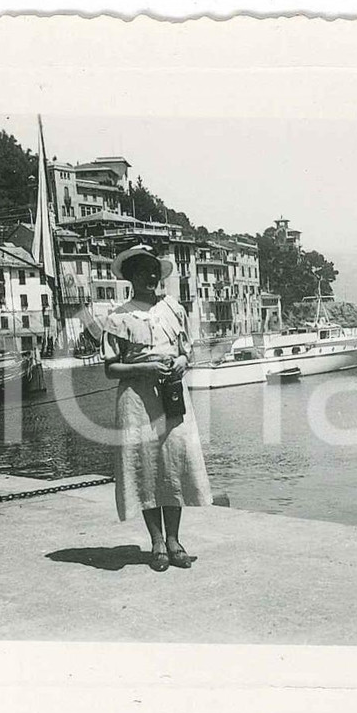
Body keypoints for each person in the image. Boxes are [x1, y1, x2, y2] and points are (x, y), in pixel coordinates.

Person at [101, 244, 212, 572]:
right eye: (142, 272)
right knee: (146, 467)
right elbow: (110, 368)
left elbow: (186, 351)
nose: (150, 277)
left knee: (173, 464)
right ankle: (157, 542)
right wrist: (144, 368)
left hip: (171, 395)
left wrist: (181, 361)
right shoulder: (118, 317)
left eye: (153, 271)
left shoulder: (173, 309)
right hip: (137, 400)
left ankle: (175, 540)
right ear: (130, 277)